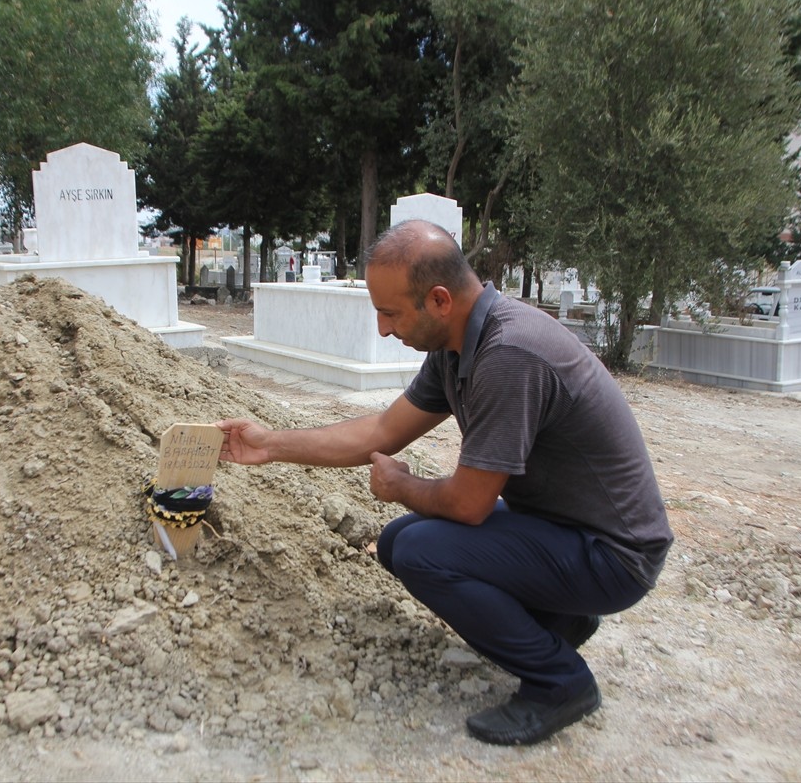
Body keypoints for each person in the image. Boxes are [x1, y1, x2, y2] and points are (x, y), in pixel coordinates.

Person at [216, 219, 672, 746]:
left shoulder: (509, 354)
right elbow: (382, 431)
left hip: (613, 557)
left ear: (438, 300)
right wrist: (269, 445)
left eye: (390, 313)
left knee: (421, 552)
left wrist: (402, 486)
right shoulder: (456, 346)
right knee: (399, 540)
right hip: (563, 529)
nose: (383, 329)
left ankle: (560, 683)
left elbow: (469, 504)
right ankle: (559, 623)